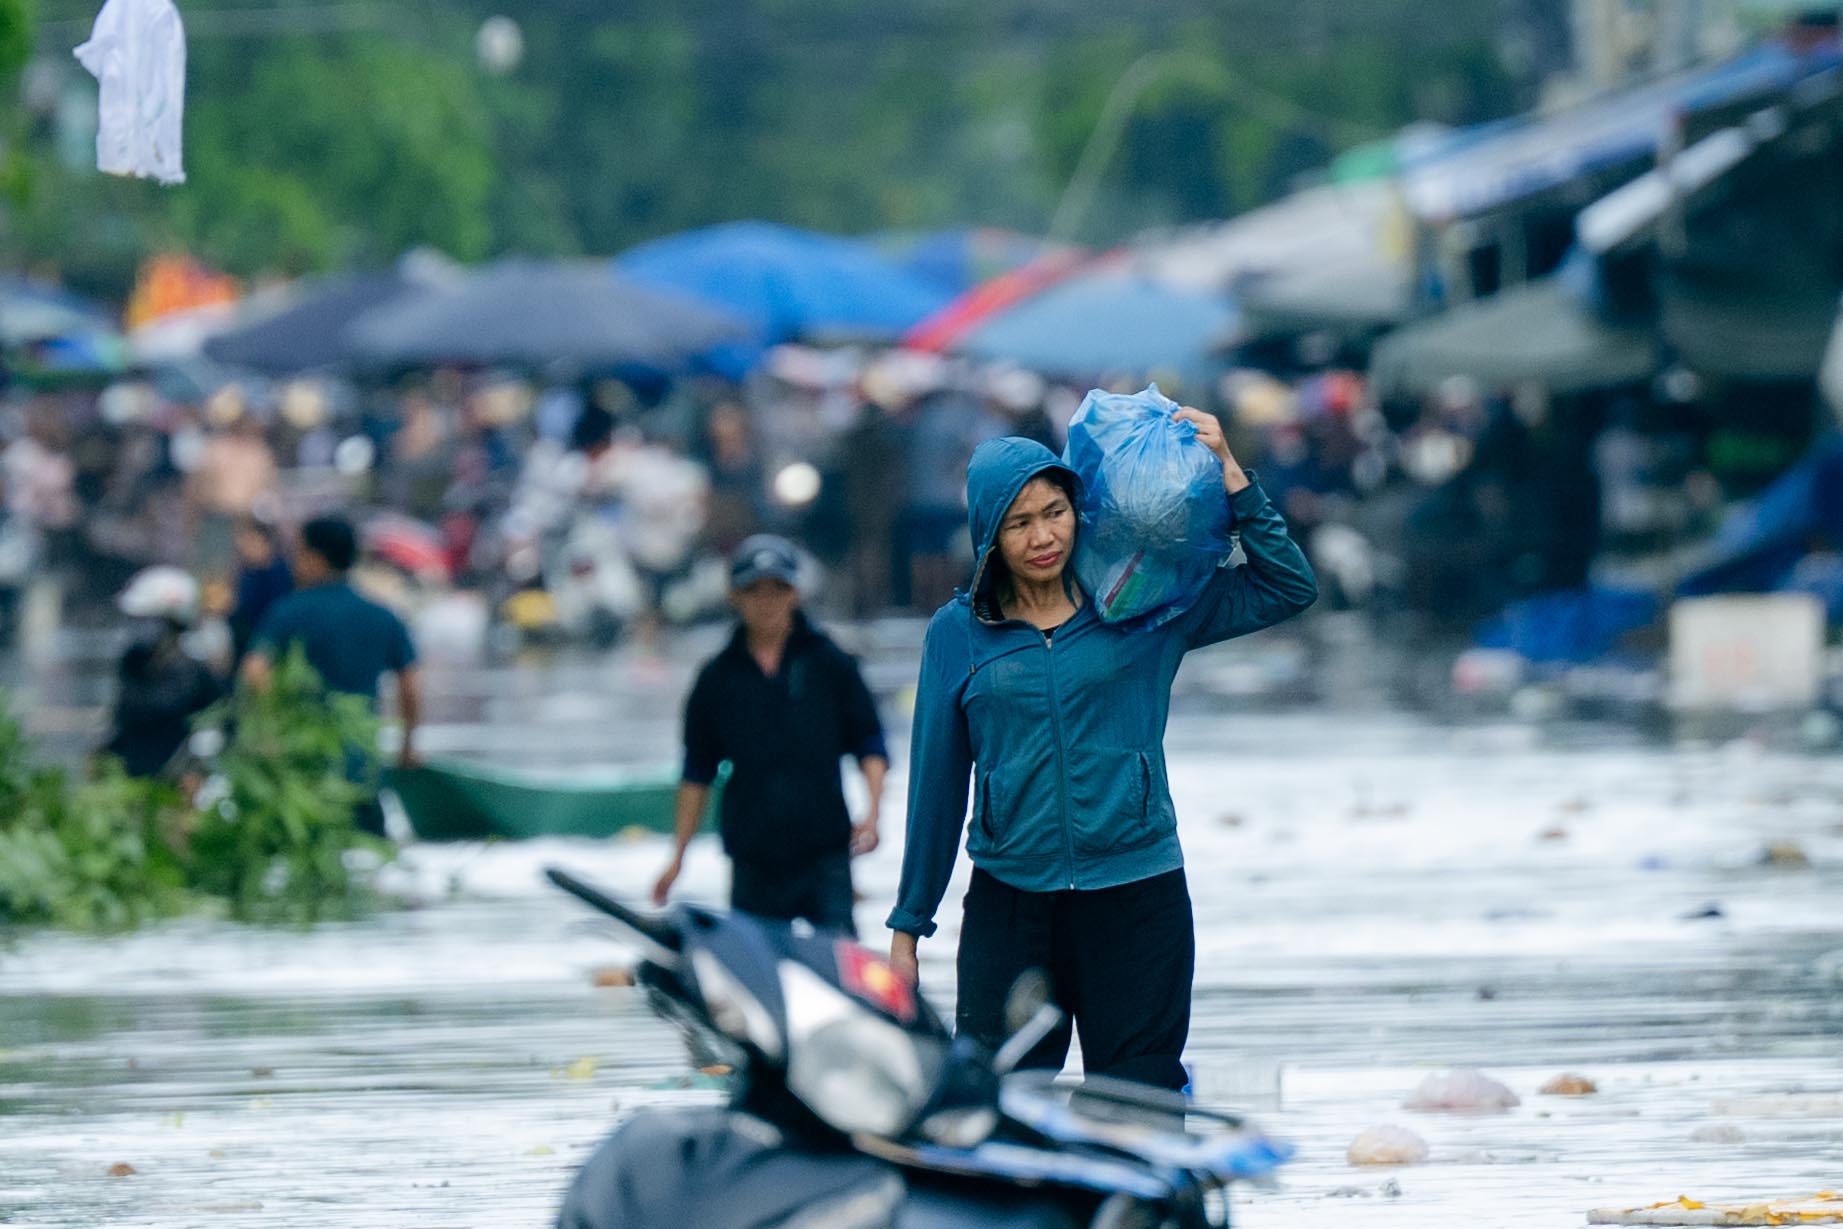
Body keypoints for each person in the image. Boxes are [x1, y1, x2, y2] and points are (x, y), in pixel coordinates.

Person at [886, 414, 1317, 1091]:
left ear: (1077, 510)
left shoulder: (1141, 603)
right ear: (986, 536)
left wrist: (1234, 478)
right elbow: (936, 787)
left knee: (1141, 1102)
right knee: (997, 1106)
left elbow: (1287, 586)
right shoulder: (957, 636)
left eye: (1054, 511)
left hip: (1137, 896)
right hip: (1011, 905)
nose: (1042, 536)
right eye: (1018, 521)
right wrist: (908, 927)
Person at [652, 534, 888, 935]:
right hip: (754, 855)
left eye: (777, 589)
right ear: (734, 596)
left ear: (794, 593)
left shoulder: (830, 663)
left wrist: (873, 813)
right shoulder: (718, 678)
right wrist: (678, 856)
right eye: (753, 590)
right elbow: (697, 771)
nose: (766, 601)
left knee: (840, 959)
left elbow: (869, 742)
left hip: (825, 851)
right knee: (757, 969)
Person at [242, 516, 421, 837]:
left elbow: (255, 672)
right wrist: (407, 747)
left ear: (316, 558)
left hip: (303, 766)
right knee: (371, 856)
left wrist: (266, 734)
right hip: (362, 767)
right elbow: (410, 686)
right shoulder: (382, 615)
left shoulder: (288, 612)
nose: (293, 564)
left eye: (298, 553)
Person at [103, 566, 221, 778]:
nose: (139, 630)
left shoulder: (194, 673)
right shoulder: (134, 666)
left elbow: (211, 729)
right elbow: (125, 723)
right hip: (135, 780)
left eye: (148, 621)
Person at [227, 518, 292, 664]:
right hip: (244, 646)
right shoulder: (249, 572)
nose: (243, 546)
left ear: (265, 542)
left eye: (250, 540)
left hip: (266, 649)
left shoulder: (279, 574)